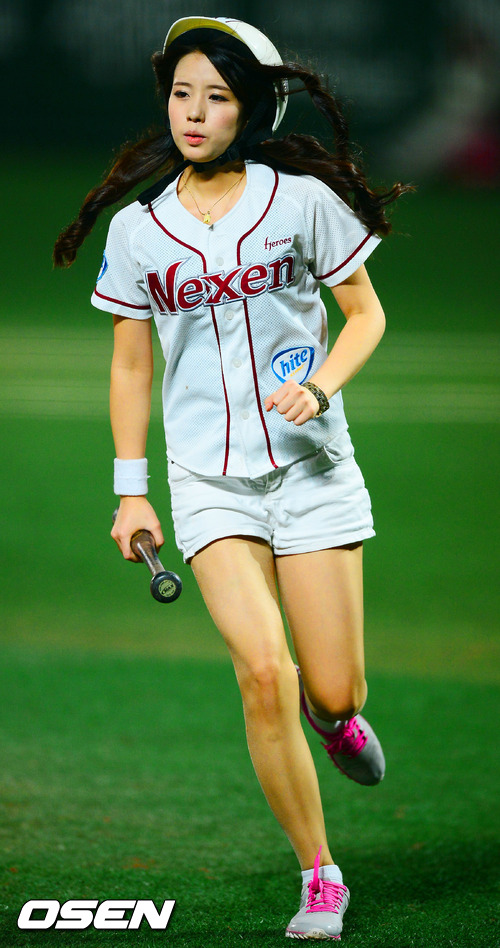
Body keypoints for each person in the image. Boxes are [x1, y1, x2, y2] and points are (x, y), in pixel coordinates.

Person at [53, 15, 410, 940]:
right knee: (261, 672)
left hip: (312, 471)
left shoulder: (301, 204)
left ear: (249, 109)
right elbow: (131, 365)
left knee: (333, 690)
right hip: (209, 485)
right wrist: (131, 490)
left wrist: (321, 387)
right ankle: (319, 873)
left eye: (216, 97)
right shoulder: (139, 231)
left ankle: (335, 721)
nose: (194, 112)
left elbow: (365, 315)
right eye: (182, 94)